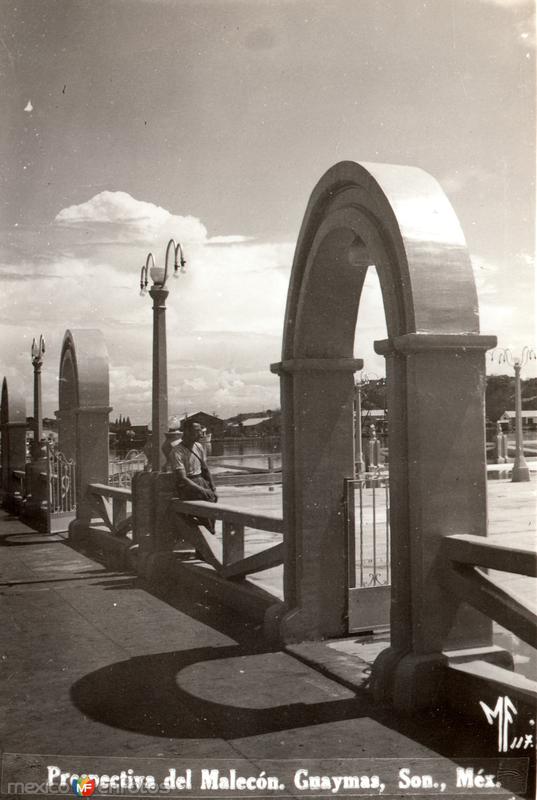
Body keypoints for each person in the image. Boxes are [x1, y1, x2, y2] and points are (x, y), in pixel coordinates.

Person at [167, 418, 217, 533]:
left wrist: (212, 488)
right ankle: (205, 545)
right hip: (188, 486)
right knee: (204, 518)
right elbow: (182, 478)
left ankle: (207, 541)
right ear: (187, 431)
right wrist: (203, 491)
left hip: (201, 482)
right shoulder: (177, 451)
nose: (200, 433)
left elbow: (205, 469)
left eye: (200, 430)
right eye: (197, 431)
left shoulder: (198, 446)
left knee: (211, 515)